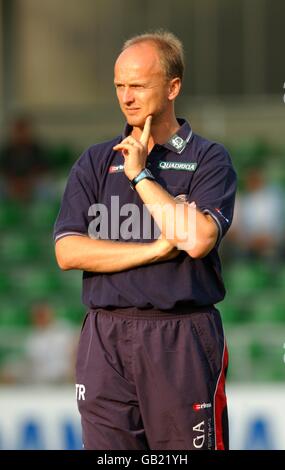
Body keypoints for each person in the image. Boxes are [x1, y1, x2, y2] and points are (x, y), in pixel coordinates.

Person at [54, 30, 237, 450]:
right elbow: (68, 250)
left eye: (138, 85)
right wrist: (154, 249)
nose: (127, 96)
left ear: (173, 87)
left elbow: (196, 240)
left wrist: (140, 176)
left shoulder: (209, 158)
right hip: (104, 336)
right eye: (120, 85)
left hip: (181, 337)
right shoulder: (96, 160)